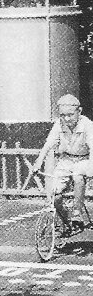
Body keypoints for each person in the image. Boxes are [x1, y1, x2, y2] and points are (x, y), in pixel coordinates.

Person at [31, 93, 93, 232]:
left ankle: (77, 212)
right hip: (66, 160)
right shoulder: (59, 125)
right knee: (55, 194)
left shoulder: (88, 125)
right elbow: (48, 144)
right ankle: (67, 222)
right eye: (63, 115)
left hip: (83, 159)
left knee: (78, 175)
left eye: (70, 115)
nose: (66, 119)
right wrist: (38, 162)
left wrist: (91, 167)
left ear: (79, 111)